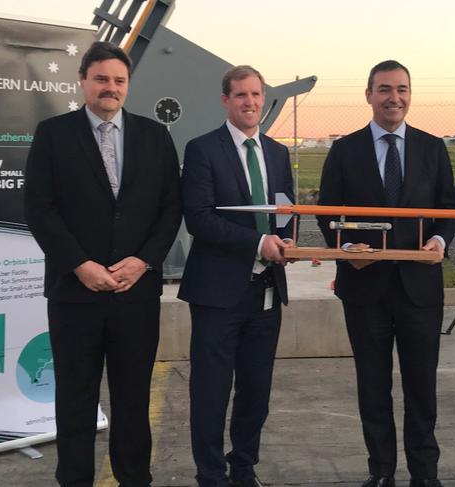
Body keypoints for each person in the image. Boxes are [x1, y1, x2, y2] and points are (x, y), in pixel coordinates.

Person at [24, 41, 181, 486]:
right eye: (101, 79)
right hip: (75, 294)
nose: (110, 88)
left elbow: (171, 207)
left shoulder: (155, 136)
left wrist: (145, 262)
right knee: (75, 401)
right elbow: (39, 208)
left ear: (127, 85)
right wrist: (79, 264)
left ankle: (135, 479)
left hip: (136, 294)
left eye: (119, 80)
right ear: (82, 81)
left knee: (133, 401)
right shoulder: (53, 133)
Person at [316, 60, 455, 487]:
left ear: (410, 94)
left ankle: (424, 473)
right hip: (365, 289)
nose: (393, 97)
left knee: (421, 389)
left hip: (419, 291)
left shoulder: (433, 148)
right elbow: (327, 212)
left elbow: (447, 212)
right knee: (372, 387)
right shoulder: (344, 150)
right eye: (384, 89)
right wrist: (344, 249)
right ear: (369, 94)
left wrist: (440, 242)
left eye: (401, 89)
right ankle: (381, 472)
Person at [178, 65, 294, 487]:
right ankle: (211, 475)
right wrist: (258, 244)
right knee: (210, 393)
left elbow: (285, 211)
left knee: (255, 392)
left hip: (266, 293)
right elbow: (199, 219)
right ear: (225, 100)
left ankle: (243, 468)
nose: (251, 102)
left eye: (256, 95)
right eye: (241, 95)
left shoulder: (279, 154)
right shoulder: (203, 149)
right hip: (217, 295)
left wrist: (288, 243)